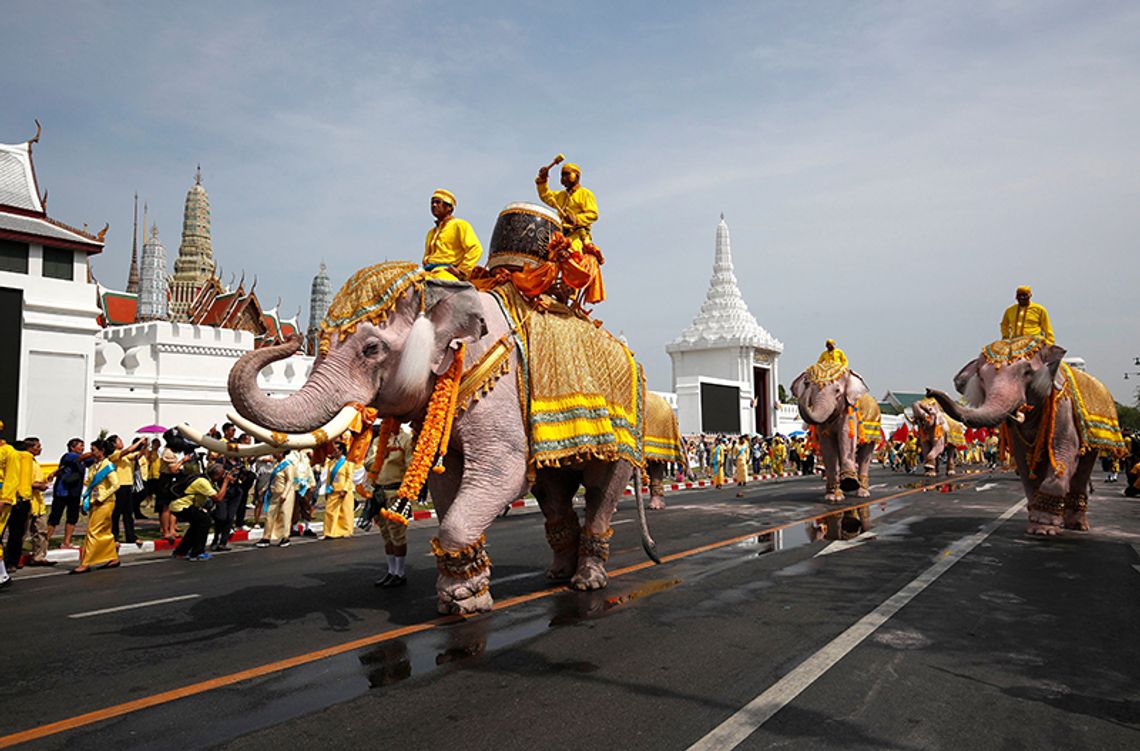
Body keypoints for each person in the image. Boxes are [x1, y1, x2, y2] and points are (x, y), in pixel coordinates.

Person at [535, 159, 605, 305]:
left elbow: (593, 214)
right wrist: (543, 180)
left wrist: (576, 219)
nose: (563, 178)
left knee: (572, 256)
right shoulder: (561, 196)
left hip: (577, 235)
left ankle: (571, 290)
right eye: (562, 175)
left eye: (567, 175)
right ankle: (548, 286)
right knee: (548, 257)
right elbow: (546, 196)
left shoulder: (585, 194)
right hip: (561, 234)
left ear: (577, 176)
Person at [372, 426, 414, 588]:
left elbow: (411, 465)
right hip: (380, 493)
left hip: (397, 493)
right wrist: (381, 456)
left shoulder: (406, 440)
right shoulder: (378, 441)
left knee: (397, 534)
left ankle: (400, 573)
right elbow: (369, 463)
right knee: (386, 533)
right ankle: (391, 571)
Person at [72, 439, 122, 574]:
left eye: (93, 449)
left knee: (92, 531)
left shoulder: (108, 465)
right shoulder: (94, 466)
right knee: (104, 531)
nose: (91, 452)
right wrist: (84, 502)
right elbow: (89, 485)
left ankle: (86, 562)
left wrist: (101, 497)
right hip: (95, 501)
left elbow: (116, 485)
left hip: (105, 502)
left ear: (102, 451)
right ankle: (113, 557)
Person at [170, 464, 235, 561]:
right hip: (181, 506)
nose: (223, 477)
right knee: (204, 521)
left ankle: (180, 552)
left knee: (197, 525)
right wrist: (225, 482)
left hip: (183, 505)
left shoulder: (206, 479)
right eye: (222, 475)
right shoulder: (203, 482)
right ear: (216, 475)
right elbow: (218, 498)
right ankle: (197, 552)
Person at [423, 189, 483, 281]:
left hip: (445, 272)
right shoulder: (431, 233)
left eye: (438, 202)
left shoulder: (459, 224)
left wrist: (461, 271)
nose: (434, 205)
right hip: (427, 272)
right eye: (432, 202)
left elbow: (475, 249)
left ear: (449, 207)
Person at [48, 438, 91, 550]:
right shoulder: (68, 456)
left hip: (75, 492)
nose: (82, 448)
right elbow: (82, 457)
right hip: (62, 491)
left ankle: (67, 542)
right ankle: (44, 542)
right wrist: (94, 452)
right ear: (72, 447)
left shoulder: (83, 461)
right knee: (54, 518)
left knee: (72, 518)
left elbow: (93, 460)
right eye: (80, 445)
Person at [107, 434, 146, 547]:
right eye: (119, 440)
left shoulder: (125, 456)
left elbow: (137, 456)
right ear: (114, 444)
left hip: (128, 485)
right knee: (116, 513)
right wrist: (139, 442)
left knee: (128, 513)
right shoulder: (114, 454)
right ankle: (114, 536)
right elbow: (129, 449)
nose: (121, 441)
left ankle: (131, 536)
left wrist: (143, 446)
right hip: (119, 486)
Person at [2, 440, 34, 571]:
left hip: (9, 498)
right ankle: (12, 562)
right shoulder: (27, 459)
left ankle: (8, 562)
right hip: (22, 500)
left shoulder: (12, 457)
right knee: (16, 534)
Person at [256, 451, 296, 548]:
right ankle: (266, 537)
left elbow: (290, 480)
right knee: (270, 515)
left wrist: (285, 494)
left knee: (285, 515)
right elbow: (272, 479)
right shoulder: (276, 464)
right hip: (274, 493)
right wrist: (264, 489)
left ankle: (285, 537)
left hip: (285, 493)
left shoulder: (288, 465)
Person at [322, 442, 355, 539]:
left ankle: (345, 531)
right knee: (330, 512)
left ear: (341, 451)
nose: (333, 452)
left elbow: (350, 477)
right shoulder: (331, 463)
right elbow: (328, 478)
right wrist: (326, 490)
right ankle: (329, 532)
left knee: (344, 513)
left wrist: (345, 489)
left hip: (343, 491)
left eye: (336, 450)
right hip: (333, 490)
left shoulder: (348, 462)